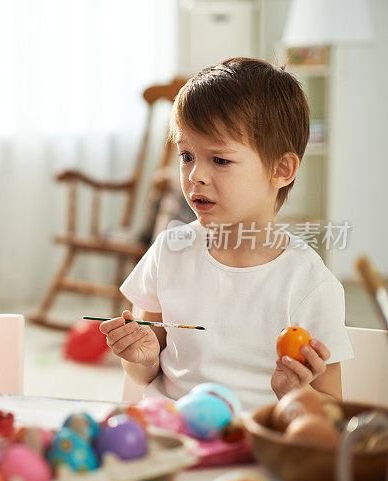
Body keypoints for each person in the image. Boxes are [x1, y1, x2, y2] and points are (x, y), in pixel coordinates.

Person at [100, 58, 353, 411]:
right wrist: (140, 357)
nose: (195, 176)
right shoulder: (169, 250)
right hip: (173, 432)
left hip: (255, 443)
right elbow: (143, 375)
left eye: (219, 160)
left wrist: (295, 393)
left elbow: (332, 410)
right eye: (187, 155)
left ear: (281, 170)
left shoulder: (307, 281)